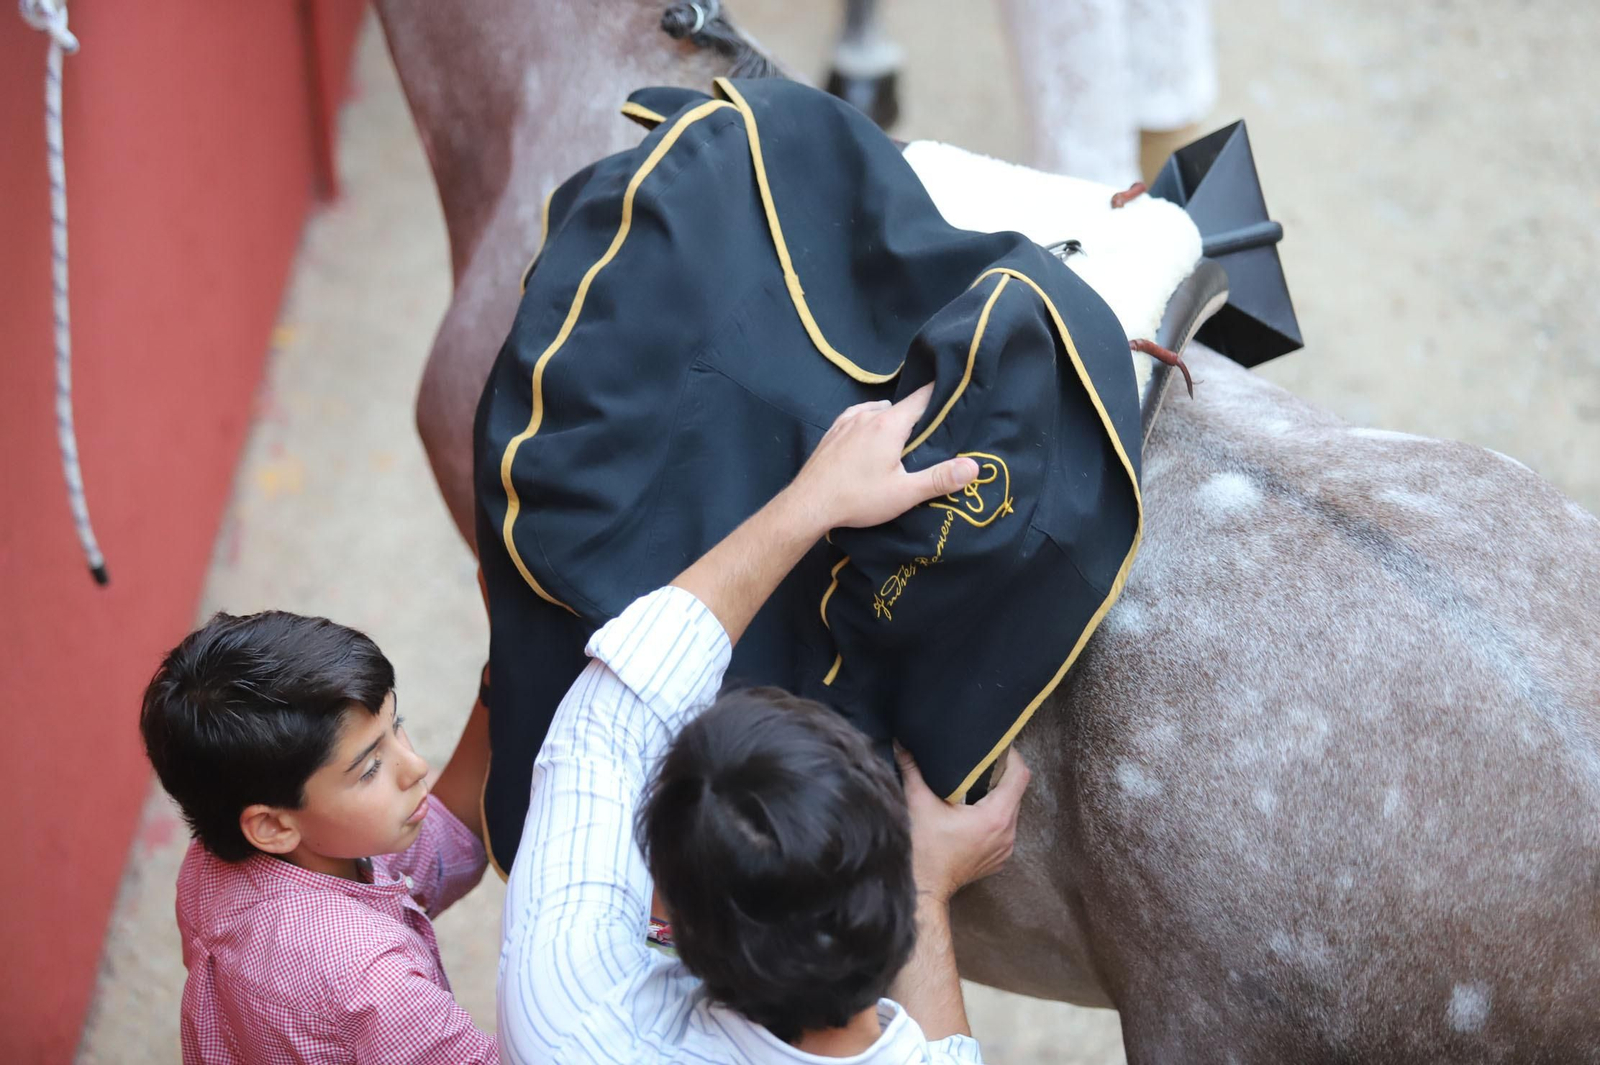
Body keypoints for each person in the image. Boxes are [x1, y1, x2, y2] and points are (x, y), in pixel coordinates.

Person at [499, 384, 1033, 1062]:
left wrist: (922, 884)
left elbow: (607, 723)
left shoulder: (563, 1020)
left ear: (674, 921)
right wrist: (818, 499)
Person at [139, 612, 498, 1062]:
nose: (415, 766)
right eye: (370, 768)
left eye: (396, 725)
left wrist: (500, 680)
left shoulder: (213, 857)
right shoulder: (375, 983)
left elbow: (445, 849)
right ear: (272, 827)